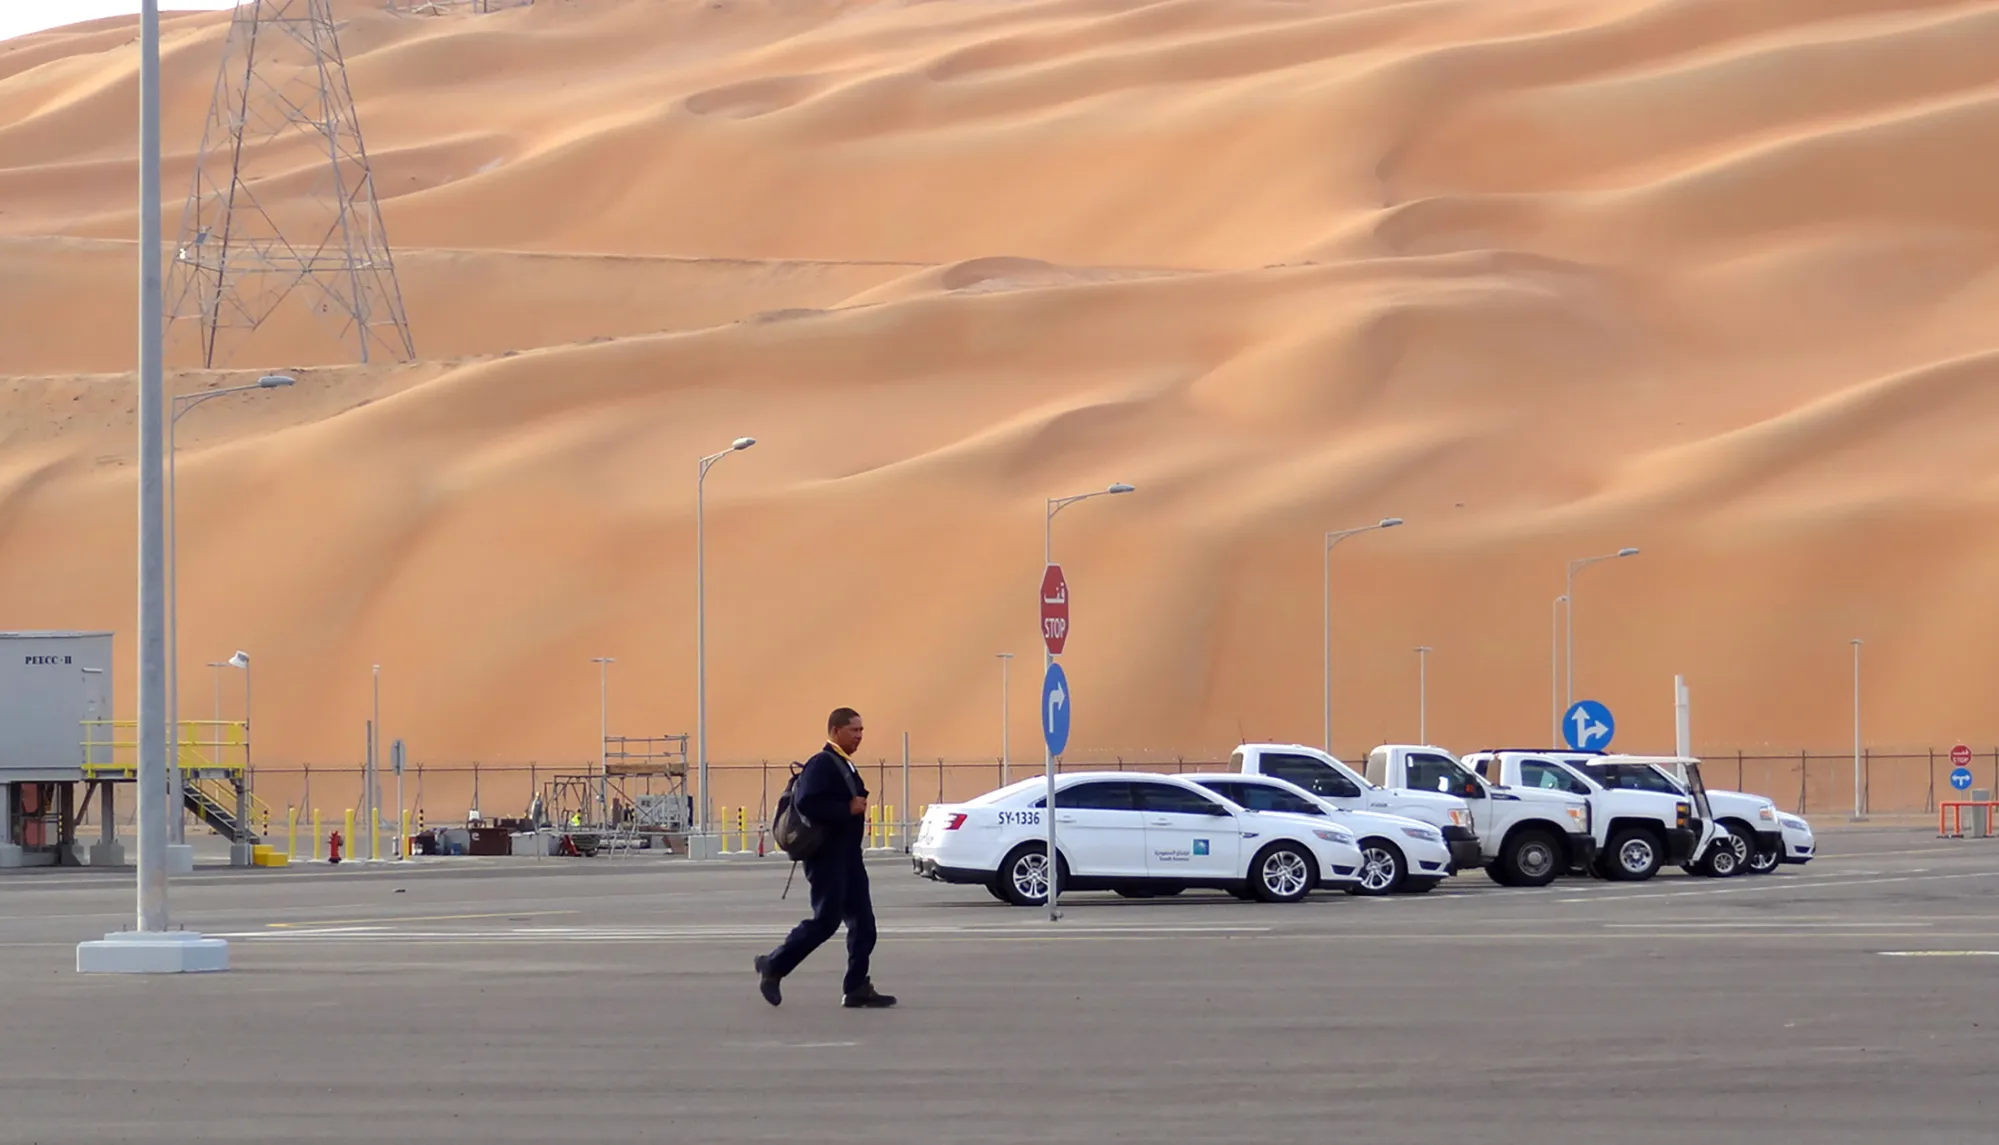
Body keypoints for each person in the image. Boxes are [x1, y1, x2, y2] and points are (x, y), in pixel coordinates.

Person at [754, 707, 897, 1009]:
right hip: (827, 859)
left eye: (861, 730)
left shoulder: (843, 764)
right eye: (853, 730)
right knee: (826, 921)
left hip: (848, 857)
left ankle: (857, 986)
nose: (859, 736)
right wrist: (847, 809)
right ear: (835, 731)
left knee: (865, 924)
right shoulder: (821, 764)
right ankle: (774, 966)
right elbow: (807, 803)